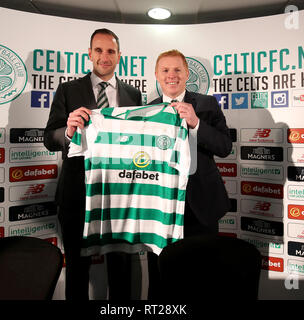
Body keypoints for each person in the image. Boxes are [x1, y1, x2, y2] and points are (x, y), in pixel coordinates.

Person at [44, 28, 142, 300]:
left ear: (119, 56)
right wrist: (68, 130)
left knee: (121, 271)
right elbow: (49, 138)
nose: (104, 56)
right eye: (98, 50)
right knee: (77, 271)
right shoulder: (68, 90)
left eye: (110, 51)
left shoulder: (134, 95)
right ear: (89, 54)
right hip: (78, 194)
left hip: (121, 198)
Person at [147, 49, 232, 298]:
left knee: (202, 279)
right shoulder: (146, 110)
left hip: (201, 206)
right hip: (159, 208)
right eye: (165, 70)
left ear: (186, 74)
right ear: (156, 75)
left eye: (177, 70)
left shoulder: (206, 105)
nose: (171, 75)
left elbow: (225, 147)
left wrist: (196, 123)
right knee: (161, 279)